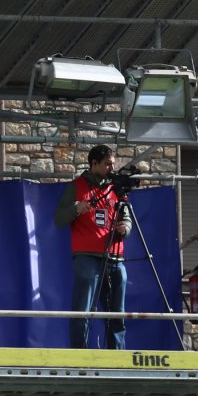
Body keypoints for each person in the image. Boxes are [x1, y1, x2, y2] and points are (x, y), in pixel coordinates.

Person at [53, 145, 133, 350]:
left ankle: (117, 357)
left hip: (115, 257)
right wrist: (75, 209)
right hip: (87, 257)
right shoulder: (77, 186)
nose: (111, 168)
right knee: (83, 310)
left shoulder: (116, 188)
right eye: (107, 164)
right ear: (93, 164)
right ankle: (80, 357)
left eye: (113, 164)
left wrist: (126, 227)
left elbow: (127, 217)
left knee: (117, 312)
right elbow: (58, 219)